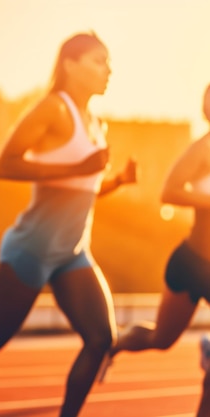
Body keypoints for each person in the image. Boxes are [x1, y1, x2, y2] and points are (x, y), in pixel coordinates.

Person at [0, 32, 137, 417]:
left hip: (73, 252)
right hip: (32, 249)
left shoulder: (96, 121)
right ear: (70, 65)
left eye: (108, 61)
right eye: (98, 61)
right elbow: (5, 165)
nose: (109, 69)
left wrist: (116, 182)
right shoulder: (53, 109)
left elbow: (82, 187)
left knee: (101, 338)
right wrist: (79, 166)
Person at [102, 83, 210, 417]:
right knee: (161, 339)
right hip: (193, 263)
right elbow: (169, 191)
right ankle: (115, 343)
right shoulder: (203, 147)